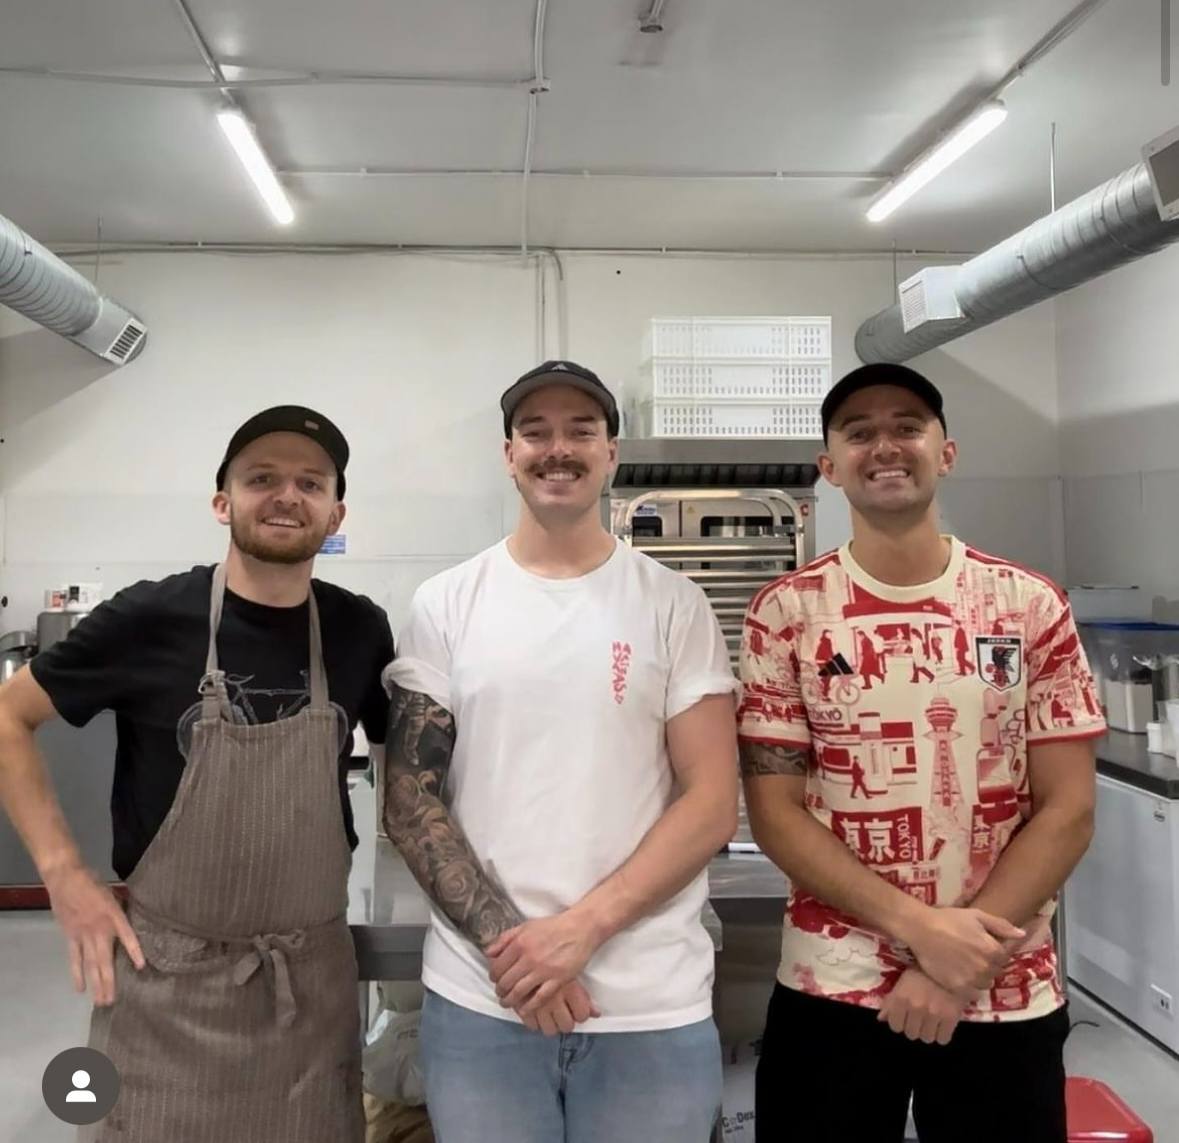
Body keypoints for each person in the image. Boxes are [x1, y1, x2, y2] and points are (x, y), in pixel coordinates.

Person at [0, 405, 395, 1143]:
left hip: (308, 992)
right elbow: (6, 718)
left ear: (336, 510)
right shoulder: (150, 617)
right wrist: (63, 873)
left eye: (310, 482)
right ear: (223, 502)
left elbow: (406, 762)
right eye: (262, 478)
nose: (287, 494)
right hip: (167, 985)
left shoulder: (359, 629)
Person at [737, 362, 1105, 1143]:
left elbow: (1067, 809)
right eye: (858, 431)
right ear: (828, 466)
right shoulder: (786, 613)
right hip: (831, 984)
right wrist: (920, 929)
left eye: (906, 425)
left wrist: (949, 960)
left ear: (946, 451)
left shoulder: (1027, 604)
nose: (884, 445)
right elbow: (775, 811)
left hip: (999, 982)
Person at [381, 360, 740, 1143]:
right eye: (534, 432)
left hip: (650, 1003)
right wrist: (518, 956)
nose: (558, 448)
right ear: (507, 454)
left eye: (581, 430)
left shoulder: (673, 604)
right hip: (484, 1001)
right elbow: (410, 798)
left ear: (611, 453)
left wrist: (578, 932)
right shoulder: (446, 603)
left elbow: (711, 799)